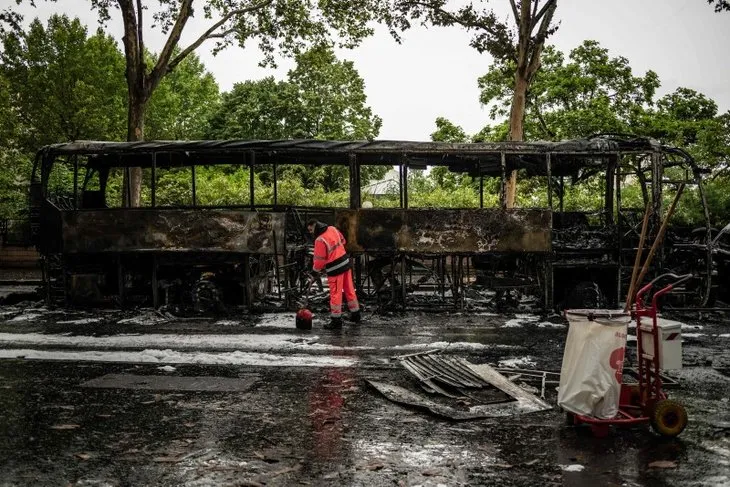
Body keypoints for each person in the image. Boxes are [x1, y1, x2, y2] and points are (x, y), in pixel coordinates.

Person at [306, 219, 361, 329]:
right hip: (345, 263)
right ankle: (356, 315)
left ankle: (336, 321)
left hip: (335, 269)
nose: (311, 232)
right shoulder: (332, 228)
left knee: (336, 294)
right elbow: (343, 241)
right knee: (349, 290)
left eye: (311, 230)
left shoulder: (319, 240)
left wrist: (314, 272)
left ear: (315, 226)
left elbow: (319, 261)